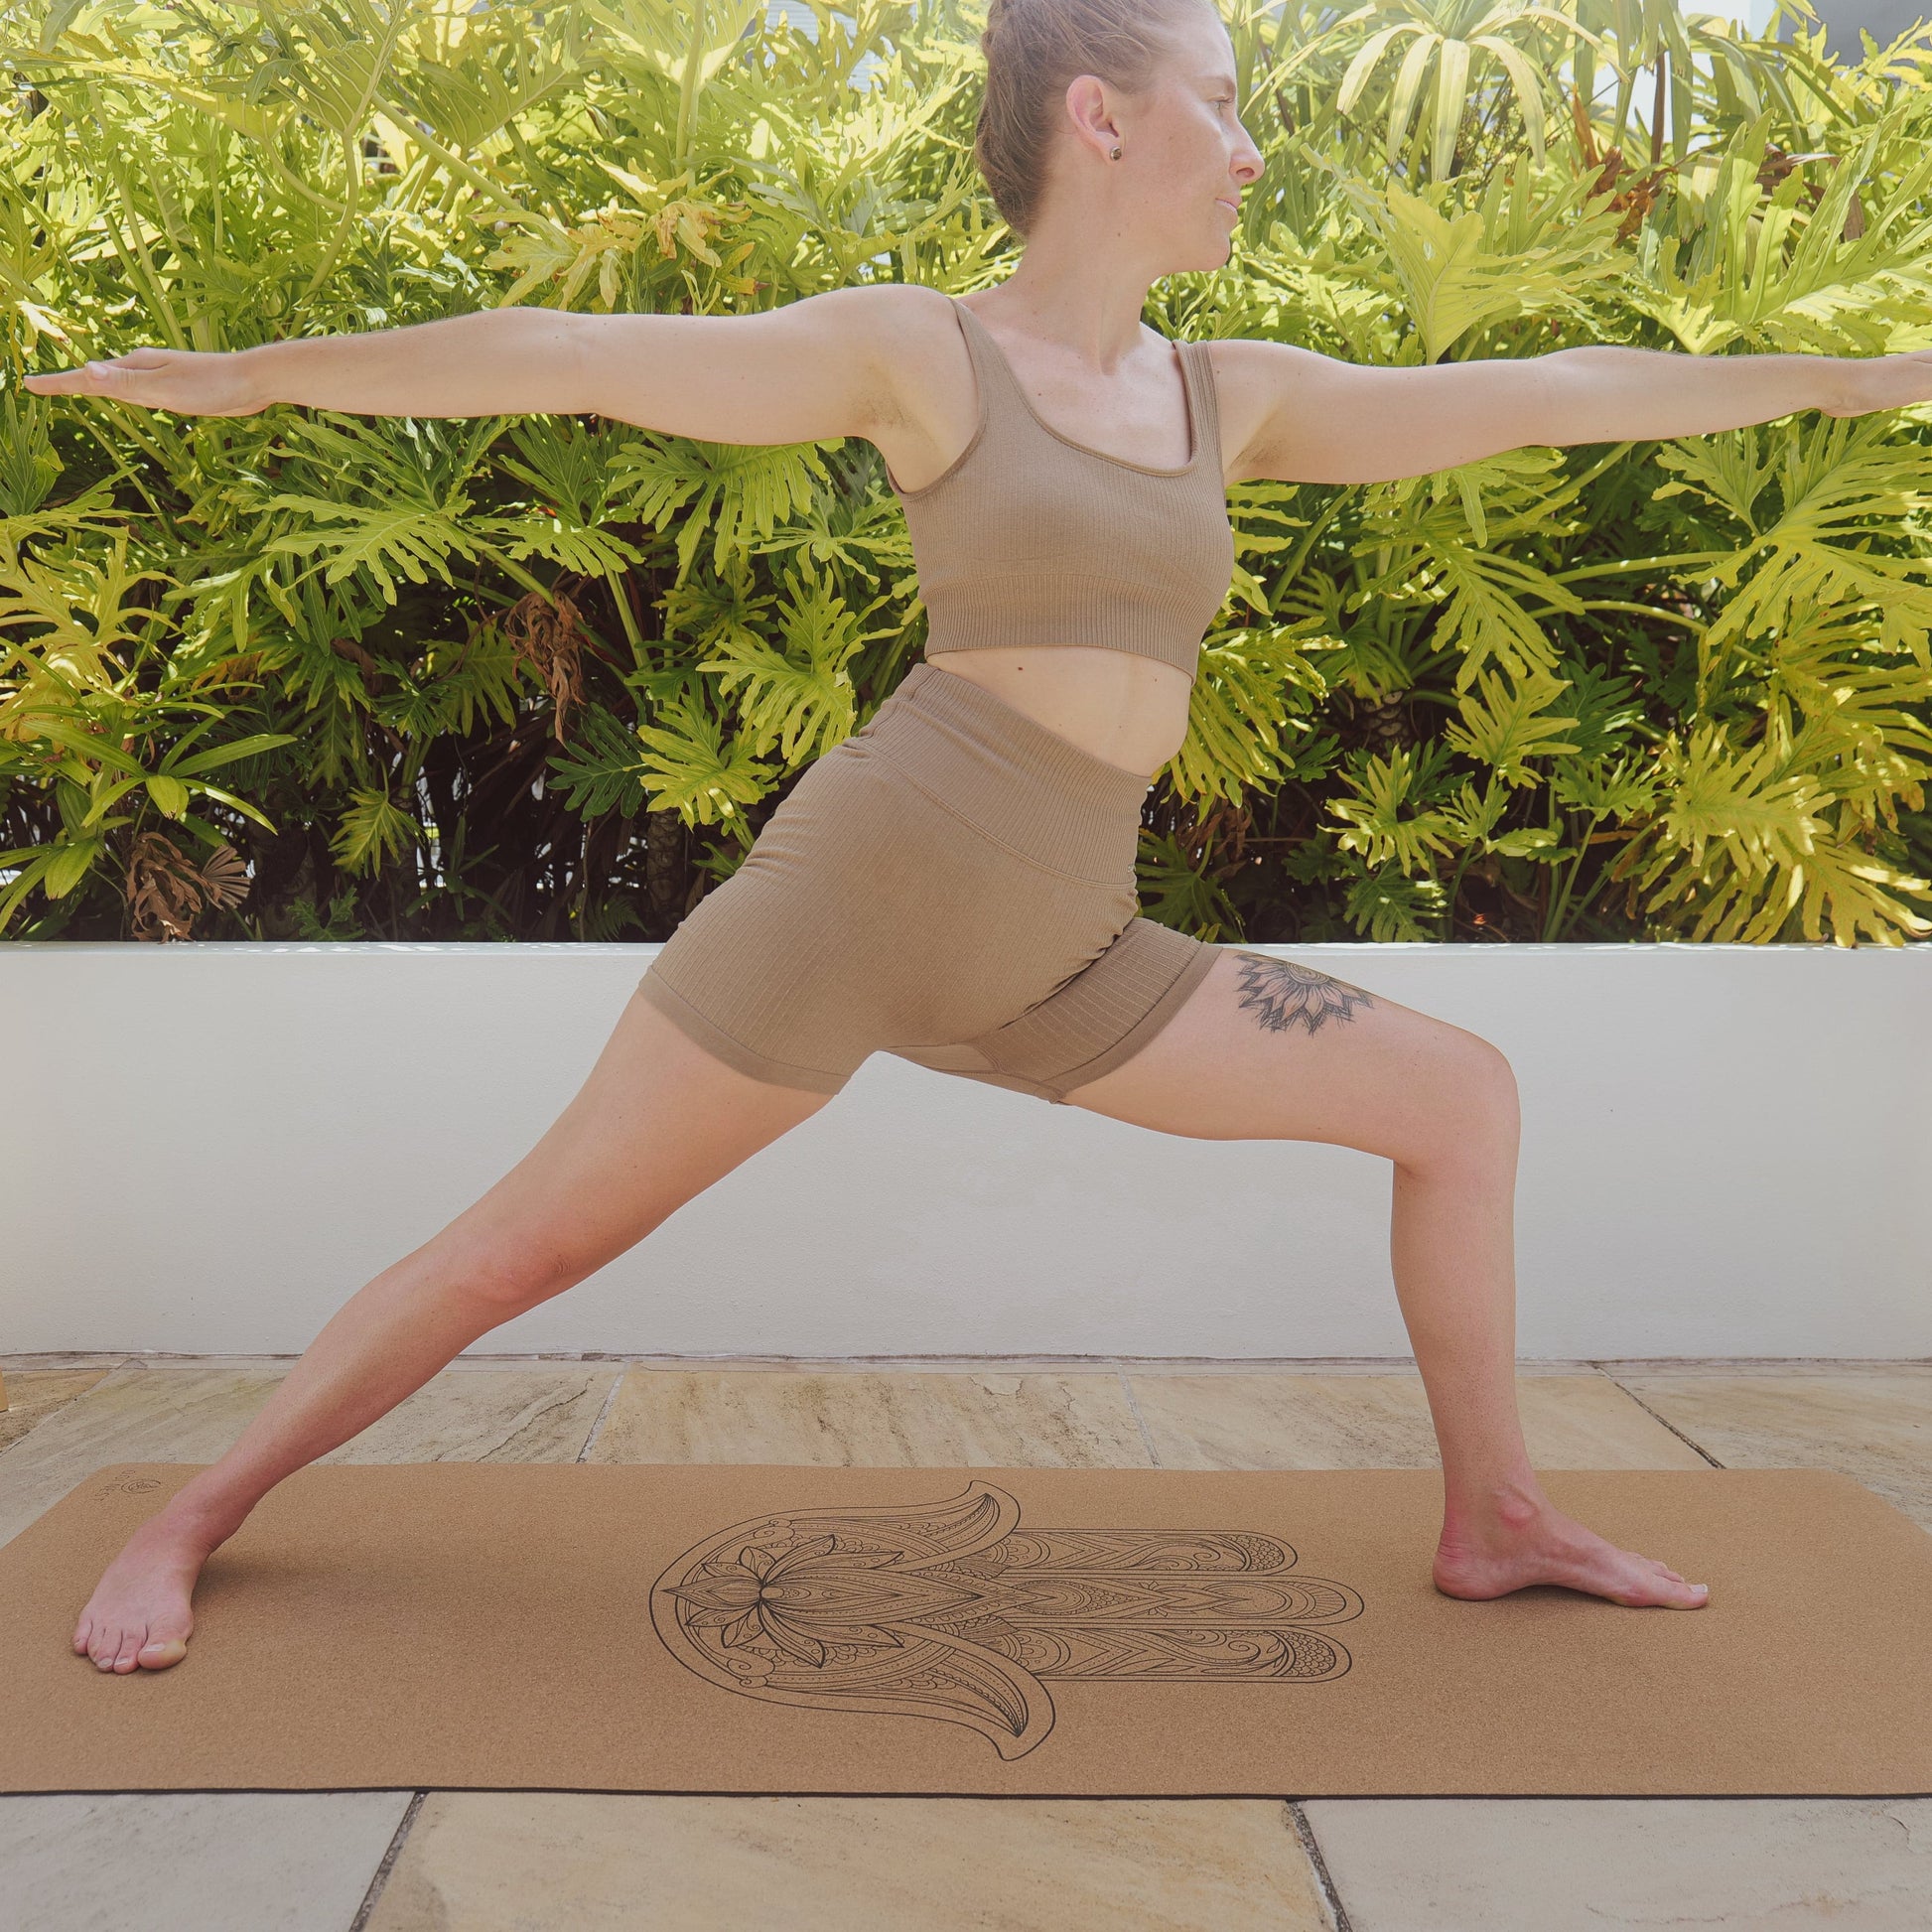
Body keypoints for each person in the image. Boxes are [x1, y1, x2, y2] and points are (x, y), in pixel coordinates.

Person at [34, 0, 1930, 1676]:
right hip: (858, 899)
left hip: (1071, 953)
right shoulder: (919, 354)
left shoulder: (1225, 395)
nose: (1257, 145)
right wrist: (256, 371)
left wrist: (1854, 377)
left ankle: (1495, 1515)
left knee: (1460, 1097)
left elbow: (1548, 397)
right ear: (1101, 117)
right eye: (1224, 97)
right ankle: (194, 1512)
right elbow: (575, 351)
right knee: (521, 1247)